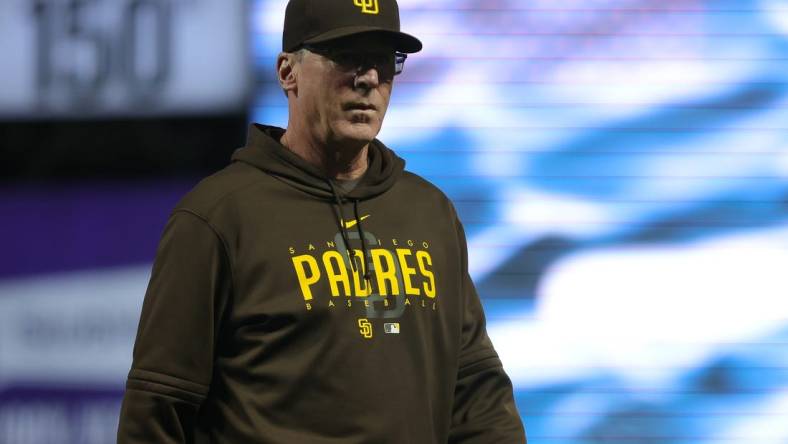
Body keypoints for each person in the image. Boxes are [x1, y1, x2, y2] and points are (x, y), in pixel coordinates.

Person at [117, 0, 527, 442]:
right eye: (347, 55)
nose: (368, 78)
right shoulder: (218, 217)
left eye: (384, 61)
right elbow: (160, 409)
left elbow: (477, 394)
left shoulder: (430, 214)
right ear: (287, 72)